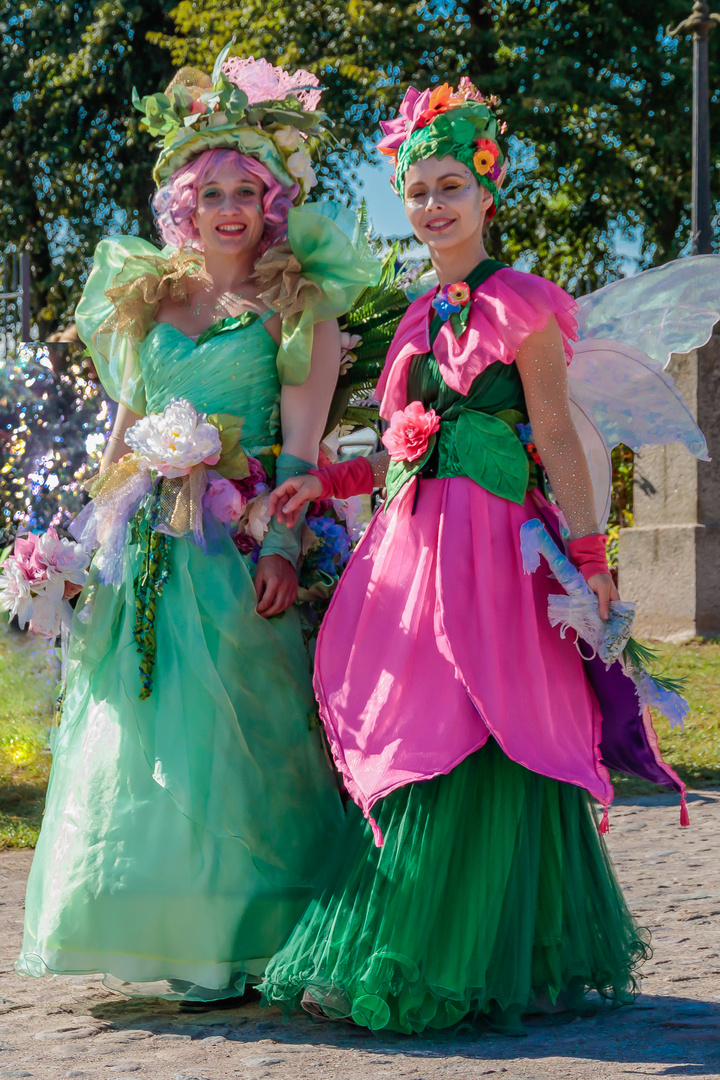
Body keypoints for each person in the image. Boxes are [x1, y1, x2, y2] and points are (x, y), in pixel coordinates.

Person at [260, 81, 698, 1034]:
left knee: (490, 719)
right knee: (420, 724)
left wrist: (589, 558)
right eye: (416, 192)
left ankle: (483, 950)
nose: (432, 207)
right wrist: (323, 486)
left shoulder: (526, 307)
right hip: (415, 554)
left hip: (499, 553)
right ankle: (419, 936)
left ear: (488, 191)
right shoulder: (416, 319)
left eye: (451, 186)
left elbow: (559, 439)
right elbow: (401, 445)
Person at [16, 51, 379, 1005]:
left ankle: (253, 939)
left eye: (245, 191)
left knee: (248, 741)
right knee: (145, 741)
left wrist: (289, 545)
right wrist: (78, 551)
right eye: (209, 189)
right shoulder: (147, 300)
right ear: (184, 202)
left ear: (271, 202)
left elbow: (302, 448)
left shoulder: (301, 305)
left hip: (239, 545)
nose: (227, 207)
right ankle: (176, 936)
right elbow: (122, 439)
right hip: (146, 553)